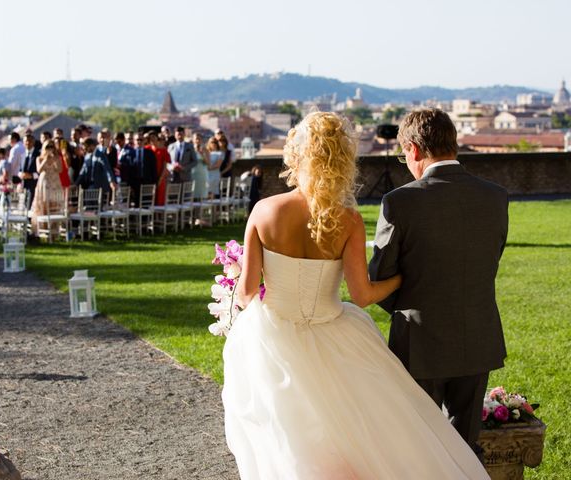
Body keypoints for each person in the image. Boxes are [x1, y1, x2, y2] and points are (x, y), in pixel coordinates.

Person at [222, 111, 489, 479]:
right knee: (356, 432)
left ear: (296, 155)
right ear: (341, 159)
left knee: (286, 431)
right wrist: (404, 279)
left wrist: (237, 290)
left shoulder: (265, 211)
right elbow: (363, 294)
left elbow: (248, 291)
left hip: (274, 336)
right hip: (336, 332)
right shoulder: (346, 219)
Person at [368, 108, 509, 459]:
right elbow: (489, 260)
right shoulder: (495, 196)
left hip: (420, 340)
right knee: (465, 447)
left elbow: (379, 276)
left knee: (419, 446)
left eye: (404, 156)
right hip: (478, 334)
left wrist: (412, 295)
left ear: (413, 149)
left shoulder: (399, 201)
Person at [31, 140, 63, 234]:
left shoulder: (57, 157)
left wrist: (54, 160)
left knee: (55, 205)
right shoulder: (39, 158)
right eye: (47, 147)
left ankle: (54, 231)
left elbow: (60, 170)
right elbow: (39, 170)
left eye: (51, 146)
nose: (50, 149)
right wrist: (46, 159)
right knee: (44, 206)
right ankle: (43, 230)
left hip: (54, 182)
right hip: (44, 183)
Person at [150, 133, 170, 206]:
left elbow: (165, 166)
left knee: (159, 199)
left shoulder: (163, 150)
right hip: (150, 178)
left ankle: (159, 216)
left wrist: (160, 179)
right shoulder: (148, 148)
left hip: (160, 178)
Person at [20, 134, 40, 204]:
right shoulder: (22, 155)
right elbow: (20, 170)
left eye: (30, 141)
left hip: (35, 185)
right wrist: (21, 175)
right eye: (26, 141)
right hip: (24, 186)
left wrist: (31, 175)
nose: (28, 143)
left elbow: (40, 171)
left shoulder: (38, 154)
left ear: (33, 142)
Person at [191, 132, 209, 200]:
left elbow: (208, 163)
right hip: (193, 173)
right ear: (193, 140)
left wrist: (202, 154)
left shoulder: (205, 150)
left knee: (201, 194)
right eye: (196, 139)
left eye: (199, 139)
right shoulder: (190, 149)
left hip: (202, 174)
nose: (198, 140)